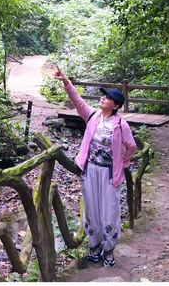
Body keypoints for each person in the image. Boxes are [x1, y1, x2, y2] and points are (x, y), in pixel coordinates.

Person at [53, 65, 137, 267]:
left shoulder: (120, 125)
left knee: (110, 210)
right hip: (90, 170)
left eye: (107, 98)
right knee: (91, 208)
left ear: (115, 105)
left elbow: (131, 147)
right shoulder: (92, 116)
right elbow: (77, 100)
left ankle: (108, 251)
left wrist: (121, 164)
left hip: (109, 173)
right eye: (103, 96)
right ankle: (94, 248)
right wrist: (66, 82)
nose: (103, 98)